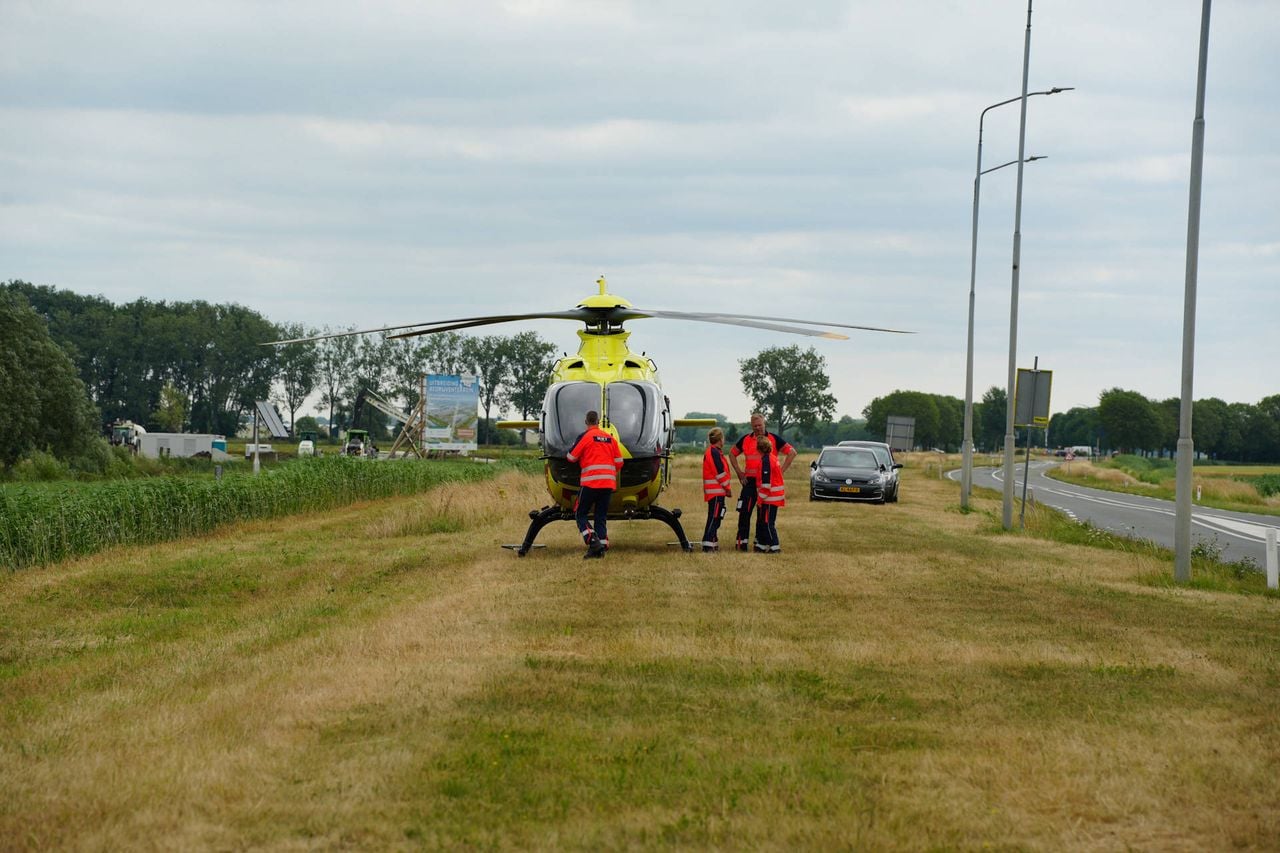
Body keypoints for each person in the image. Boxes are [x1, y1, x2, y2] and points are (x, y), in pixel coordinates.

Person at [729, 412, 796, 551]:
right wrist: (739, 473)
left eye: (760, 425)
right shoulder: (746, 439)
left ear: (764, 423)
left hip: (765, 484)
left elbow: (792, 452)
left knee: (763, 516)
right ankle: (741, 542)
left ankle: (760, 543)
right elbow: (731, 453)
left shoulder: (773, 438)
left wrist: (780, 472)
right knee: (744, 512)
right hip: (749, 482)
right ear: (751, 426)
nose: (758, 428)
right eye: (755, 426)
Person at [566, 410, 623, 559]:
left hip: (590, 482)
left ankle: (592, 540)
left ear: (586, 422)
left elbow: (571, 457)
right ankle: (601, 547)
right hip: (608, 483)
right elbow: (619, 462)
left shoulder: (585, 437)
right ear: (598, 422)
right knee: (600, 516)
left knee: (580, 513)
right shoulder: (610, 438)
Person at [700, 427, 731, 552]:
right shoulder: (714, 452)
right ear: (720, 439)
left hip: (716, 492)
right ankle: (708, 544)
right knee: (715, 517)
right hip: (716, 492)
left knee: (716, 517)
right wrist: (727, 488)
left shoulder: (714, 452)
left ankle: (711, 542)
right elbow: (720, 473)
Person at [755, 434, 785, 553]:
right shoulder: (773, 458)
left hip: (769, 498)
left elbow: (766, 485)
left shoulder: (766, 461)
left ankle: (775, 546)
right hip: (774, 497)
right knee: (765, 522)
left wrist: (759, 500)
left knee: (767, 523)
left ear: (759, 449)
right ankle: (762, 545)